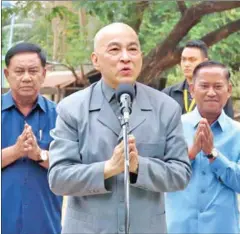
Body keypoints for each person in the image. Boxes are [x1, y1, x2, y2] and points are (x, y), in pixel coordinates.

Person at [48, 22, 191, 234]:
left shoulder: (165, 108)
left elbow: (180, 174)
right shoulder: (72, 109)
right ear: (95, 60)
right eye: (115, 50)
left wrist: (138, 167)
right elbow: (59, 178)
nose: (126, 57)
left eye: (132, 49)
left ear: (140, 56)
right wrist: (108, 169)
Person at [166, 60, 240, 234]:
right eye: (204, 86)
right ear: (192, 90)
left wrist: (213, 155)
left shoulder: (237, 133)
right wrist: (190, 155)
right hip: (178, 226)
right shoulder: (173, 126)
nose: (211, 92)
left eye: (218, 86)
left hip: (222, 227)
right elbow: (163, 177)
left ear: (228, 90)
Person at [2, 43, 62, 234]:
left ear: (43, 74)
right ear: (6, 74)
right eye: (19, 71)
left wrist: (39, 154)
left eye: (33, 70)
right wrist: (15, 152)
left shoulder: (61, 116)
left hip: (45, 223)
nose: (26, 77)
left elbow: (70, 168)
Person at [162, 40, 234, 118]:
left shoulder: (216, 94)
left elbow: (227, 125)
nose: (186, 64)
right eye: (183, 59)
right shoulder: (169, 93)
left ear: (204, 62)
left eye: (192, 60)